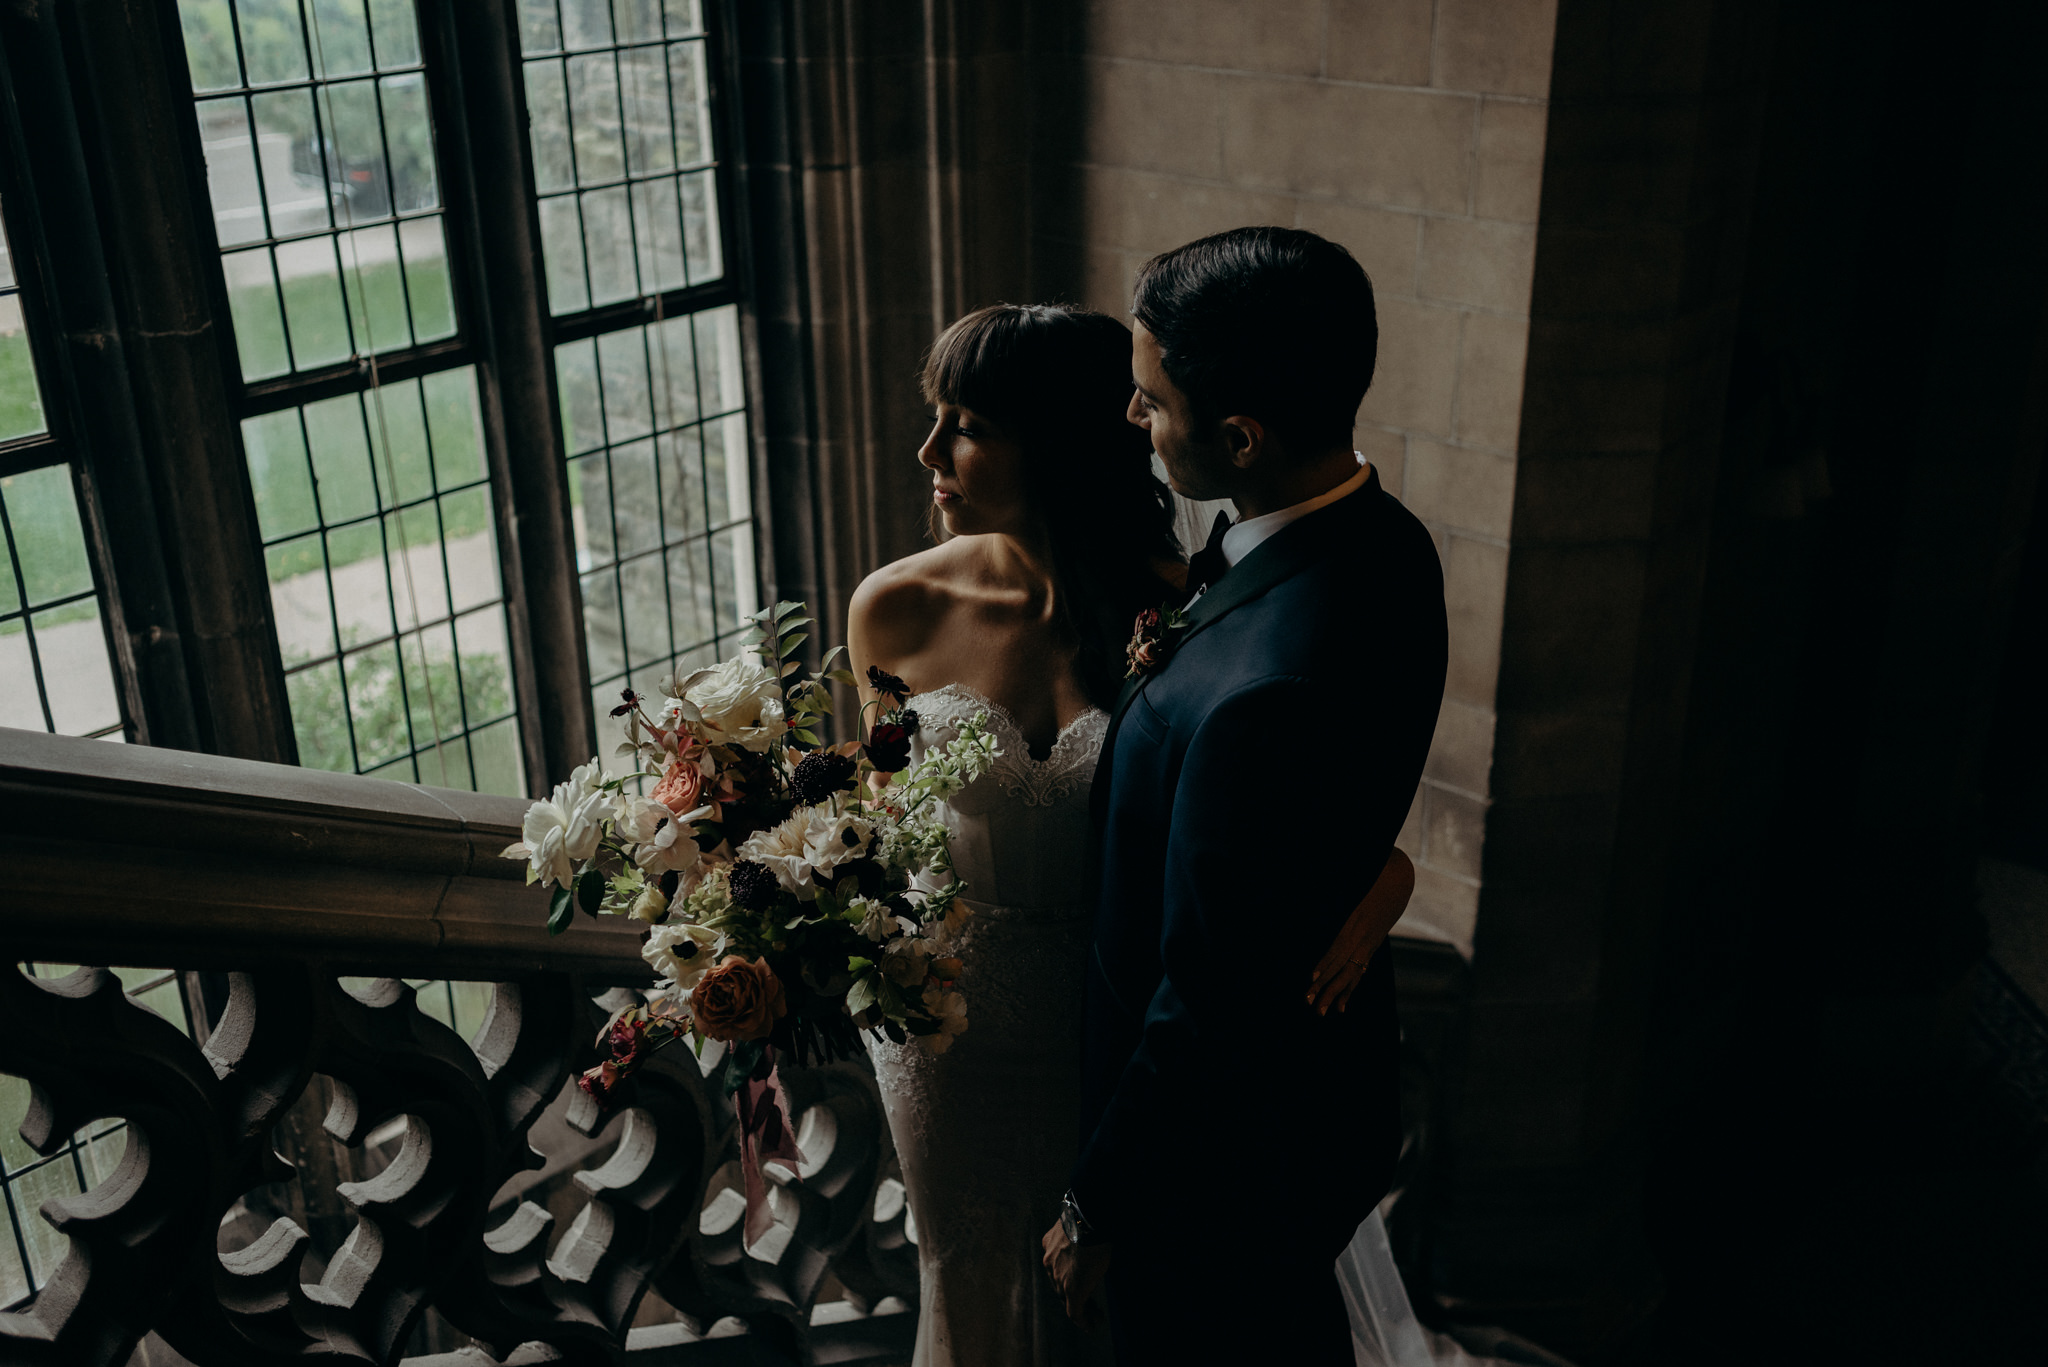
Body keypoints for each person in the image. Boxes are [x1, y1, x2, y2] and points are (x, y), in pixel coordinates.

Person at [848, 301, 1415, 1367]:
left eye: (964, 423)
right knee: (961, 1270)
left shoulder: (1191, 615)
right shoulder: (893, 611)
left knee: (1113, 1307)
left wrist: (1380, 887)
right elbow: (875, 833)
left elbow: (1272, 832)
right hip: (943, 1044)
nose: (928, 451)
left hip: (1112, 1037)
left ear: (1054, 444)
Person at [1039, 228, 1448, 1364]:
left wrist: (1096, 1202)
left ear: (1239, 436)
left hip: (1214, 1166)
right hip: (1298, 1118)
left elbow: (1204, 993)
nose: (1131, 419)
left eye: (1148, 399)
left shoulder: (1269, 689)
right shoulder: (1388, 541)